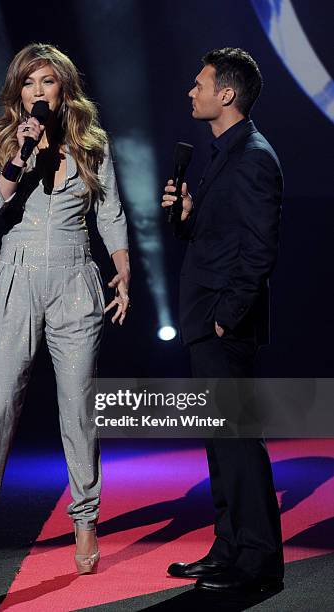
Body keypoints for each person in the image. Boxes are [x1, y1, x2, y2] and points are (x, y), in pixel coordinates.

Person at [0, 43, 130, 575]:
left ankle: (85, 519)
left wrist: (124, 270)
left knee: (78, 407)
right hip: (17, 275)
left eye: (47, 81)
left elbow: (111, 212)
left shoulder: (91, 145)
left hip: (77, 277)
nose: (38, 91)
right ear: (18, 91)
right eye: (29, 82)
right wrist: (21, 154)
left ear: (64, 88)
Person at [161, 48, 284, 594]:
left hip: (222, 322)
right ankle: (230, 547)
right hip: (207, 316)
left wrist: (225, 318)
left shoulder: (253, 156)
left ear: (226, 94)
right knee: (221, 442)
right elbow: (220, 238)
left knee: (237, 440)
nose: (192, 91)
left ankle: (256, 561)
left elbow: (259, 250)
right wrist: (186, 217)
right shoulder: (223, 155)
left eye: (200, 83)